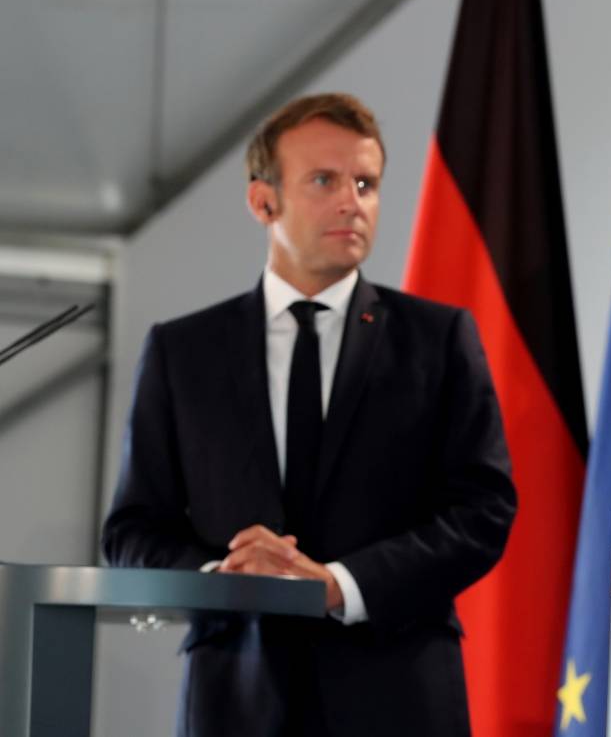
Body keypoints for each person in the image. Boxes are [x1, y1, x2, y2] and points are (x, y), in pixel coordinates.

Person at [103, 93, 516, 737]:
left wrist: (340, 584)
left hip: (399, 696)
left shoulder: (439, 340)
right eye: (324, 181)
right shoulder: (183, 352)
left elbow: (483, 510)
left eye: (366, 183)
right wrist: (227, 582)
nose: (353, 201)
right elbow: (131, 532)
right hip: (234, 700)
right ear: (262, 201)